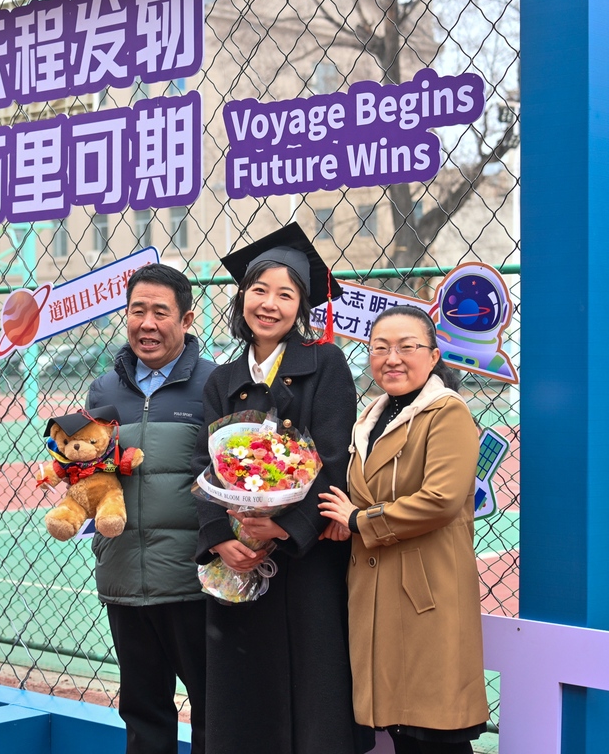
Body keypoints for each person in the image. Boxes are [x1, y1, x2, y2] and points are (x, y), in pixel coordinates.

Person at [191, 223, 372, 754]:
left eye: (285, 295)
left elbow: (334, 458)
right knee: (246, 701)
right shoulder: (221, 379)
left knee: (314, 699)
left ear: (301, 307)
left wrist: (285, 527)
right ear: (242, 297)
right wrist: (219, 538)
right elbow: (204, 464)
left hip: (305, 560)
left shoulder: (326, 365)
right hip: (239, 556)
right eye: (259, 290)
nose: (269, 304)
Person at [319, 305, 488, 754]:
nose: (391, 358)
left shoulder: (447, 412)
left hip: (425, 592)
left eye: (406, 347)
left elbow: (441, 499)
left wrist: (358, 520)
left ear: (433, 356)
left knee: (436, 733)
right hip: (375, 592)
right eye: (379, 348)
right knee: (402, 731)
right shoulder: (370, 418)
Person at [85, 263, 216, 754]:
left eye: (161, 312)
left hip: (193, 582)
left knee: (213, 709)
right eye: (137, 311)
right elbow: (93, 472)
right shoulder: (104, 389)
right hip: (125, 577)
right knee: (142, 713)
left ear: (186, 320)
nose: (147, 324)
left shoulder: (215, 383)